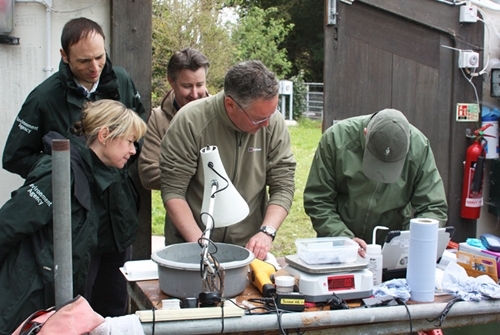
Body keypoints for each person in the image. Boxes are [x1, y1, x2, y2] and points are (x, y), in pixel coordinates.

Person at [1, 17, 146, 317]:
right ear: (64, 56)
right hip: (75, 222)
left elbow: (136, 134)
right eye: (84, 61)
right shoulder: (44, 97)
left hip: (116, 219)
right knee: (77, 305)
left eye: (100, 57)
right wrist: (60, 174)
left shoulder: (120, 80)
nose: (94, 67)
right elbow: (14, 157)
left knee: (114, 304)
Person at [0, 100, 147, 334]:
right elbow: (9, 224)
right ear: (105, 134)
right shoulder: (59, 172)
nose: (133, 150)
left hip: (54, 297)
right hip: (28, 298)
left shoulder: (96, 172)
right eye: (129, 141)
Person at [159, 60, 296, 260]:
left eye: (271, 114)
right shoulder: (189, 121)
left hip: (246, 247)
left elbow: (283, 184)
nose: (267, 124)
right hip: (192, 244)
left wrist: (267, 232)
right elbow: (173, 192)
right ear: (230, 104)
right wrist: (202, 248)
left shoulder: (272, 123)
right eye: (258, 119)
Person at [303, 108, 448, 255]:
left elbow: (433, 207)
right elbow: (318, 199)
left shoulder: (419, 148)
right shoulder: (335, 139)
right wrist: (343, 238)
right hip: (339, 248)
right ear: (365, 134)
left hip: (391, 249)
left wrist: (409, 242)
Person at [138, 47, 209, 190]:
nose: (194, 94)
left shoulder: (222, 114)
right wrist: (201, 173)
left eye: (200, 85)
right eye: (187, 86)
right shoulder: (158, 119)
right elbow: (147, 174)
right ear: (171, 81)